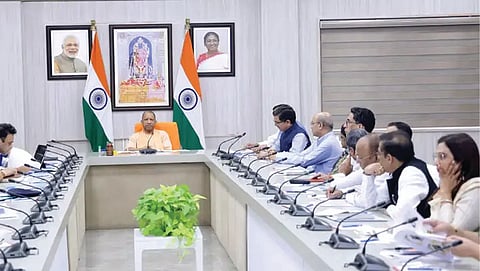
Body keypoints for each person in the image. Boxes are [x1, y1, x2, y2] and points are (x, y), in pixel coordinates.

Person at [375, 131, 437, 221]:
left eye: (379, 154)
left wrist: (389, 207)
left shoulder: (412, 174)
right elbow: (376, 202)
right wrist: (367, 175)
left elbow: (403, 215)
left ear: (389, 158)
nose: (377, 158)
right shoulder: (396, 171)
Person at [428, 133, 480, 232]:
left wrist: (446, 194)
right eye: (436, 156)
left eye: (442, 156)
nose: (436, 162)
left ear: (460, 161)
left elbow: (449, 233)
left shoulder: (475, 189)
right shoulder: (450, 186)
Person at [273, 112, 343, 174]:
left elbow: (305, 161)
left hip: (321, 182)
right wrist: (277, 156)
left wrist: (276, 157)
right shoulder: (321, 140)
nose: (311, 127)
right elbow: (301, 155)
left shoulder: (328, 143)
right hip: (313, 177)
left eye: (312, 123)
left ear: (320, 125)